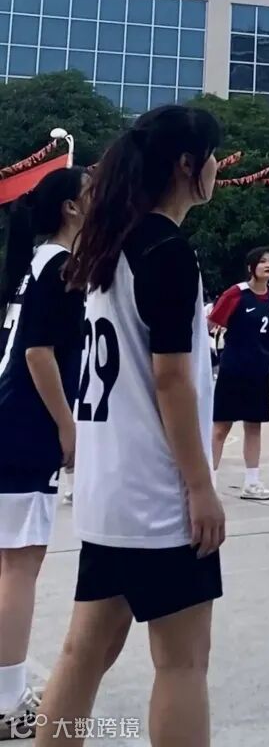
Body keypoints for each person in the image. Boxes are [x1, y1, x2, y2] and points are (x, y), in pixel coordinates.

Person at [38, 104, 225, 747]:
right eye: (212, 157)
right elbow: (171, 379)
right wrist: (199, 487)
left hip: (108, 489)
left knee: (83, 653)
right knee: (182, 663)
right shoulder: (166, 250)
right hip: (157, 495)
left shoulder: (108, 247)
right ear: (186, 165)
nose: (217, 168)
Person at [0, 167, 87, 739]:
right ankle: (8, 703)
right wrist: (66, 427)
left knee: (11, 562)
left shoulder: (37, 262)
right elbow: (39, 353)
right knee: (20, 564)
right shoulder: (60, 267)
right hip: (25, 427)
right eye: (92, 193)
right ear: (71, 208)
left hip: (11, 419)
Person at [209, 247, 269, 502]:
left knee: (254, 426)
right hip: (234, 369)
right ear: (251, 267)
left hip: (259, 371)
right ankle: (209, 482)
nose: (268, 265)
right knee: (221, 427)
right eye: (262, 261)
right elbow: (212, 322)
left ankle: (252, 483)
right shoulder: (237, 294)